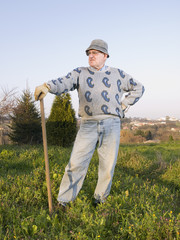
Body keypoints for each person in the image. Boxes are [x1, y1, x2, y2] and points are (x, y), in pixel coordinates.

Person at [34, 39, 145, 207]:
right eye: (89, 53)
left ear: (105, 55)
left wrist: (123, 105)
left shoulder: (118, 74)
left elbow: (139, 88)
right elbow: (64, 82)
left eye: (95, 53)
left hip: (112, 123)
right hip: (88, 124)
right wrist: (47, 86)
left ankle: (100, 199)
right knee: (76, 163)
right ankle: (64, 201)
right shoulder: (81, 73)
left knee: (107, 165)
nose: (91, 56)